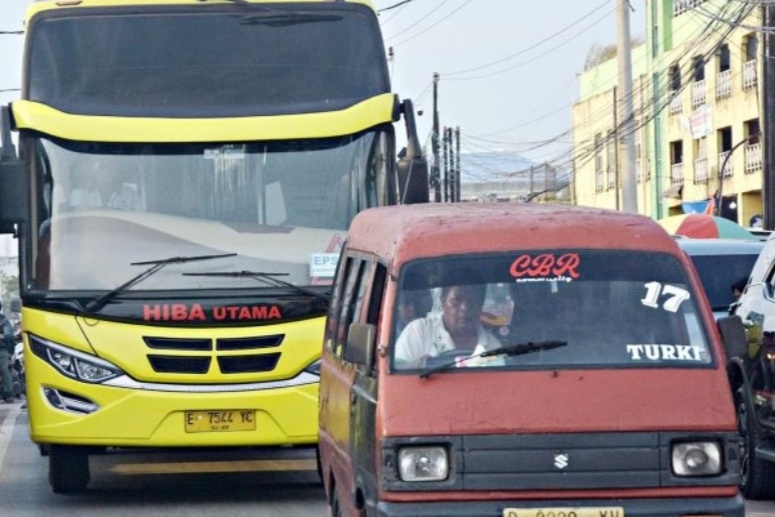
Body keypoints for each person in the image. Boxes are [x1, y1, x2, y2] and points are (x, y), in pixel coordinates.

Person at [394, 281, 501, 368]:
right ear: (443, 301)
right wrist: (423, 364)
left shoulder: (493, 347)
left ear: (481, 305)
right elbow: (397, 375)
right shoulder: (419, 332)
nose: (465, 308)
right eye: (456, 301)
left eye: (473, 301)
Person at [0, 301, 16, 402]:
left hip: (1, 349)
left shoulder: (3, 320)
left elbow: (9, 335)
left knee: (3, 369)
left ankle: (8, 393)